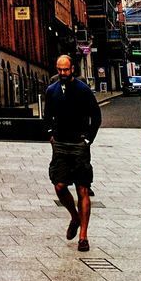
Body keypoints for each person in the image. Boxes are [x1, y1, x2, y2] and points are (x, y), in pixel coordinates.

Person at [42, 54, 101, 253]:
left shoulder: (83, 90)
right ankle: (74, 216)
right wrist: (50, 134)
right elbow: (47, 115)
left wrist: (87, 140)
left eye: (66, 70)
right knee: (59, 186)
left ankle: (83, 236)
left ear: (72, 69)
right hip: (60, 144)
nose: (63, 73)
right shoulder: (52, 90)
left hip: (79, 145)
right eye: (59, 70)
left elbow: (96, 116)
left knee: (82, 189)